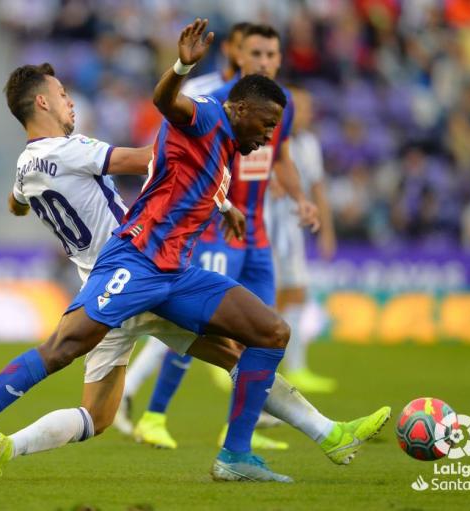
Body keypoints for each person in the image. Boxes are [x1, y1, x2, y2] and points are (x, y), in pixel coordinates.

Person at [0, 18, 315, 484]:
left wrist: (217, 195)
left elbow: (15, 202)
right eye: (64, 94)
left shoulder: (25, 167)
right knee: (70, 349)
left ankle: (289, 442)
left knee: (110, 410)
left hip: (140, 274)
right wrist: (203, 137)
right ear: (43, 101)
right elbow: (150, 159)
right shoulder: (71, 149)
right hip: (130, 267)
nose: (70, 101)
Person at [129, 23, 325, 451]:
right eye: (257, 54)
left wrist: (300, 198)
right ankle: (154, 416)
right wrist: (219, 205)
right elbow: (190, 159)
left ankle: (241, 429)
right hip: (220, 229)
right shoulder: (221, 103)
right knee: (200, 326)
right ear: (238, 54)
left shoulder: (280, 106)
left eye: (272, 55)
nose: (266, 62)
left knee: (264, 330)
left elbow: (282, 159)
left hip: (257, 232)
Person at [266, 87, 338, 393]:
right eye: (300, 107)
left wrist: (327, 230)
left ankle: (295, 367)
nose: (305, 113)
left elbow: (318, 187)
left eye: (308, 107)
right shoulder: (269, 140)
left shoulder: (309, 144)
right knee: (265, 297)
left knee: (297, 293)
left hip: (294, 228)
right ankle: (240, 360)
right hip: (266, 227)